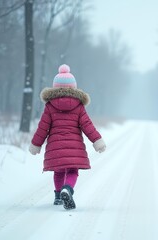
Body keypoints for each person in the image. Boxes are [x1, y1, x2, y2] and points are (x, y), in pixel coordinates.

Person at [29, 64, 106, 210]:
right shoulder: (78, 106)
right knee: (72, 171)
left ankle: (58, 196)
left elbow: (42, 127)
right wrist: (97, 141)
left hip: (55, 146)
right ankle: (68, 189)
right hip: (74, 146)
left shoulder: (50, 106)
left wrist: (36, 144)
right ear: (74, 87)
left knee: (58, 171)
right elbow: (87, 125)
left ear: (55, 87)